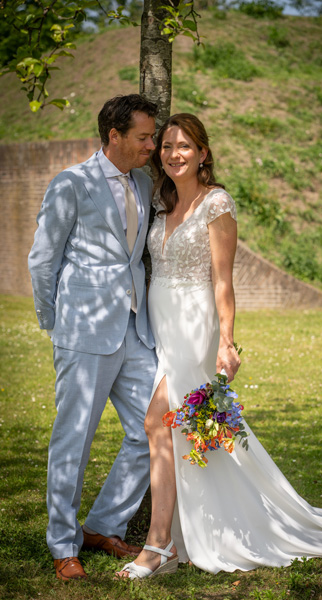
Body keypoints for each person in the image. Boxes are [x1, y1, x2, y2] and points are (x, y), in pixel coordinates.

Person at [117, 113, 322, 579]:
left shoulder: (217, 203)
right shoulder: (161, 203)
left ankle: (159, 544)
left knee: (158, 421)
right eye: (166, 146)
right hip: (161, 328)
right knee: (183, 429)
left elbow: (223, 281)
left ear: (203, 153)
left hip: (195, 328)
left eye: (184, 146)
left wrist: (226, 342)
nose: (174, 154)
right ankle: (192, 529)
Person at [28, 94, 159, 581]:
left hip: (135, 329)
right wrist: (54, 322)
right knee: (74, 439)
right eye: (144, 137)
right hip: (83, 329)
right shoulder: (71, 183)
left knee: (154, 428)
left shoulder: (143, 182)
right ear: (114, 135)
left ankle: (102, 525)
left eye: (152, 136)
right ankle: (63, 544)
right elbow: (43, 259)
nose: (151, 145)